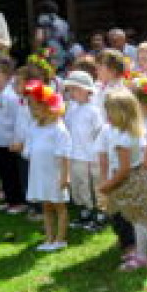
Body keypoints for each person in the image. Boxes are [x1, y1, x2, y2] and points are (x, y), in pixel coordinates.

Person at [99, 88, 147, 271]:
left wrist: (107, 185)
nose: (107, 115)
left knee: (138, 221)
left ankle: (142, 257)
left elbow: (124, 168)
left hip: (130, 181)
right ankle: (140, 252)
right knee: (139, 220)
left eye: (109, 111)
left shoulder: (122, 137)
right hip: (138, 177)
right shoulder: (132, 131)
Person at [23, 83, 71, 251]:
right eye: (31, 108)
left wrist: (65, 176)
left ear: (48, 107)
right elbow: (29, 148)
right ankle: (49, 238)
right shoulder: (34, 126)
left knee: (59, 206)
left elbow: (65, 156)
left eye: (35, 108)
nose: (32, 112)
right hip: (40, 173)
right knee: (46, 205)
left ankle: (60, 239)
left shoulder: (58, 129)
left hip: (54, 173)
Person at [62, 70, 103, 232]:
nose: (72, 93)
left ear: (88, 90)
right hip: (74, 154)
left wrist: (96, 154)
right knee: (79, 185)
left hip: (91, 156)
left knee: (95, 185)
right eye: (70, 90)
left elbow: (99, 133)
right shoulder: (71, 108)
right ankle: (84, 211)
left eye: (76, 89)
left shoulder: (94, 110)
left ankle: (100, 214)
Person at [0, 59, 26, 214]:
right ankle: (9, 199)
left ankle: (18, 202)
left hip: (10, 142)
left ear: (7, 77)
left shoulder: (11, 97)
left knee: (12, 173)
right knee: (2, 172)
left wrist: (16, 140)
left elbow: (18, 121)